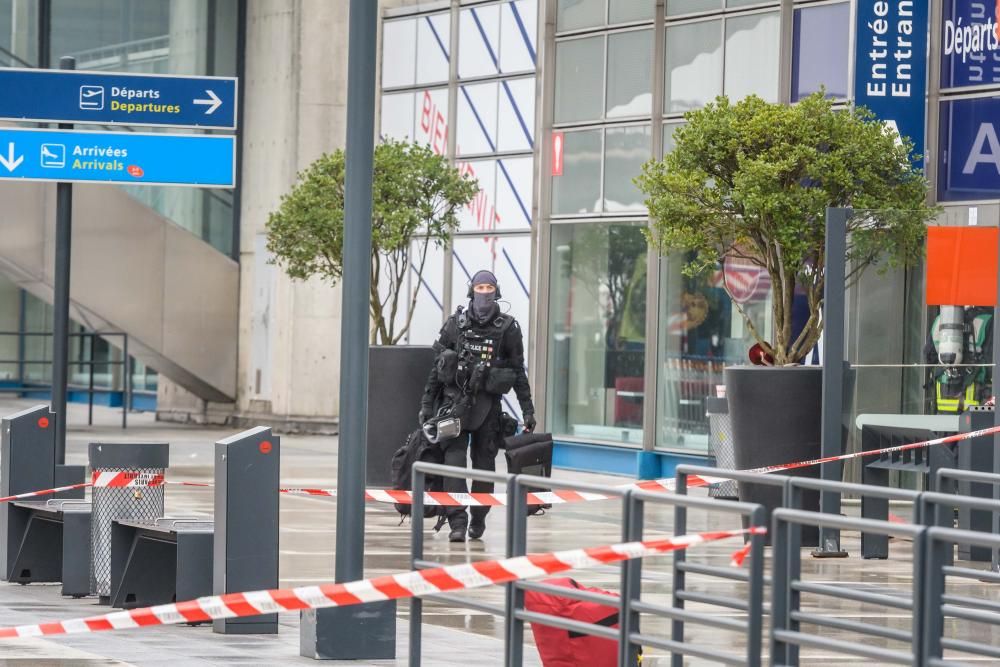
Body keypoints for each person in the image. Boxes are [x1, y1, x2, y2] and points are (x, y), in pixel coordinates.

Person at [419, 269, 535, 542]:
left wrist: (527, 410)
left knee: (484, 466)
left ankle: (478, 519)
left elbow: (518, 373)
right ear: (472, 290)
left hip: (488, 410)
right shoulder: (453, 325)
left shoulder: (508, 328)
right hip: (453, 407)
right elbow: (437, 370)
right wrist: (426, 404)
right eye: (480, 287)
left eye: (489, 287)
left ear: (497, 291)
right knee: (454, 463)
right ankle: (457, 521)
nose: (485, 292)